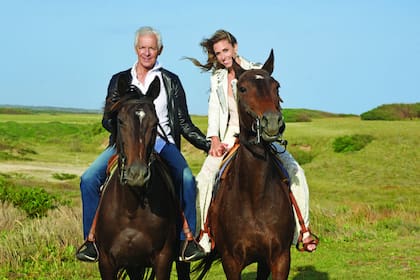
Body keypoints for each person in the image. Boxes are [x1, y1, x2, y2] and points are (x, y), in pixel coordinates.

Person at [76, 26, 210, 263]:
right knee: (88, 179)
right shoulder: (119, 80)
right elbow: (107, 119)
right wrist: (126, 136)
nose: (147, 52)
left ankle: (185, 242)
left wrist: (208, 145)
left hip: (162, 144)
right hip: (124, 145)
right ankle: (92, 241)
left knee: (187, 180)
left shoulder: (170, 81)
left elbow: (183, 122)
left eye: (152, 48)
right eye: (143, 48)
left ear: (160, 50)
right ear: (136, 49)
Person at [188, 29, 318, 253]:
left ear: (235, 47)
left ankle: (303, 231)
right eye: (218, 53)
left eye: (226, 50)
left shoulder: (257, 70)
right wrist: (215, 140)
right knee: (205, 178)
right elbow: (215, 111)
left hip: (260, 133)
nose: (223, 56)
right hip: (231, 133)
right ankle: (205, 235)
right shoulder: (217, 79)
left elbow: (271, 101)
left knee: (295, 170)